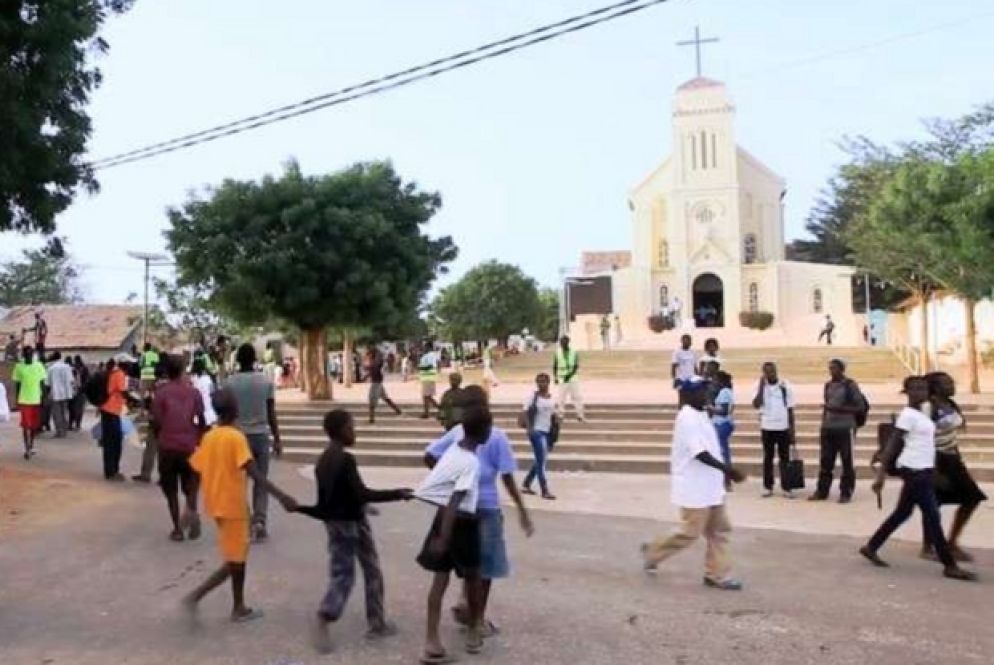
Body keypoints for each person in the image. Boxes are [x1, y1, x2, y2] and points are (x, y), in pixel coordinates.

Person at [291, 410, 412, 654]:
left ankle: (376, 621)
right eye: (351, 427)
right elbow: (361, 493)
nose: (353, 432)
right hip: (350, 525)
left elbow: (326, 505)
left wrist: (302, 509)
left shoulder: (323, 461)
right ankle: (326, 616)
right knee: (350, 574)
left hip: (340, 523)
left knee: (363, 570)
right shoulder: (345, 460)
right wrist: (397, 494)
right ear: (340, 430)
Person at [424, 386, 534, 643]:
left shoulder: (456, 434)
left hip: (457, 509)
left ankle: (436, 636)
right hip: (485, 508)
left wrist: (443, 478)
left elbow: (429, 455)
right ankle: (476, 623)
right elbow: (507, 478)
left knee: (449, 572)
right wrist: (522, 510)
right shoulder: (495, 437)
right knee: (482, 570)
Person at [183, 389, 297, 623]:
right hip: (233, 506)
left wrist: (191, 505)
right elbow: (254, 473)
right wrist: (281, 496)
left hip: (216, 504)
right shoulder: (236, 438)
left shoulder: (209, 437)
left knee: (237, 557)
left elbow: (194, 473)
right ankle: (222, 603)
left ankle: (230, 603)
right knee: (236, 560)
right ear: (235, 410)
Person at [859, 376, 976, 581]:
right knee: (933, 516)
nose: (921, 392)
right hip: (914, 471)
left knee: (902, 513)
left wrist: (934, 471)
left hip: (923, 469)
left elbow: (933, 439)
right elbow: (893, 445)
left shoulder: (923, 414)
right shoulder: (908, 416)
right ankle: (949, 565)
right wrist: (881, 475)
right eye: (916, 389)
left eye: (923, 388)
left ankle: (871, 546)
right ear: (907, 392)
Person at [641, 378, 747, 588]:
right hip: (694, 487)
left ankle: (716, 574)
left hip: (711, 486)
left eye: (707, 389)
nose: (706, 393)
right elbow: (700, 453)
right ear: (689, 395)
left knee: (719, 531)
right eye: (701, 390)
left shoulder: (701, 413)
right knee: (690, 533)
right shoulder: (687, 418)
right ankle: (653, 551)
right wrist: (728, 469)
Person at [416, 406, 491, 662]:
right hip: (459, 525)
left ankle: (431, 641)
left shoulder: (454, 450)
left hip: (444, 521)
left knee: (440, 581)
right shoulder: (470, 461)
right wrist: (445, 538)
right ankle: (473, 629)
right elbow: (455, 500)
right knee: (473, 578)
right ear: (483, 432)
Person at [920, 372, 987, 562]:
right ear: (936, 387)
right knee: (933, 504)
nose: (952, 385)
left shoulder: (950, 405)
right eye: (946, 383)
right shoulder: (928, 407)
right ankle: (928, 546)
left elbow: (951, 433)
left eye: (951, 381)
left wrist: (957, 457)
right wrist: (932, 469)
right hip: (934, 459)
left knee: (972, 498)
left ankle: (952, 541)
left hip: (952, 458)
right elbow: (924, 438)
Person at [225, 343, 282, 542]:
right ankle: (260, 520)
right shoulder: (265, 382)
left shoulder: (230, 383)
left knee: (238, 482)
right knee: (261, 481)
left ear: (238, 360)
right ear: (255, 359)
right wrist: (277, 439)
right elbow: (271, 413)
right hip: (260, 436)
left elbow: (226, 413)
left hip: (238, 437)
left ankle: (246, 519)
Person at [151, 355, 206, 541]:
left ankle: (177, 529)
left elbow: (156, 421)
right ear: (183, 371)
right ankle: (192, 511)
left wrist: (160, 436)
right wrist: (199, 437)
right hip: (189, 445)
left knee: (170, 489)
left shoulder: (161, 393)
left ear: (167, 372)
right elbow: (201, 419)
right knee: (190, 485)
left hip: (167, 446)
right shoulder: (194, 393)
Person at [810, 359, 864, 503]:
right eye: (830, 368)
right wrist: (823, 423)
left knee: (847, 461)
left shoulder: (850, 385)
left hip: (845, 428)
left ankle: (846, 492)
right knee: (826, 461)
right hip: (828, 428)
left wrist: (839, 409)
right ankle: (822, 491)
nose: (831, 371)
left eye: (834, 368)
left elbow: (860, 407)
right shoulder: (828, 385)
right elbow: (827, 405)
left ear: (842, 369)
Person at [752, 362, 796, 498]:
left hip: (782, 426)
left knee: (785, 458)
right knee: (768, 457)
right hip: (767, 426)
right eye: (766, 372)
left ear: (776, 371)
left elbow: (790, 409)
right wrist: (761, 387)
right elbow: (756, 404)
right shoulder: (758, 386)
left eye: (772, 371)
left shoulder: (785, 386)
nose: (769, 374)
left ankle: (787, 487)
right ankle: (768, 486)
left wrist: (792, 430)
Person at [520, 372, 558, 500]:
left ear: (548, 382)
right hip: (536, 431)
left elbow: (553, 415)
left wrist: (555, 431)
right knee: (542, 462)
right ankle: (544, 489)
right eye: (539, 381)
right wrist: (529, 428)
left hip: (547, 432)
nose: (541, 384)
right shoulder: (533, 397)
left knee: (540, 460)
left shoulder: (552, 398)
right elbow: (525, 412)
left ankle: (526, 484)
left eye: (544, 381)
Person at [12, 346, 47, 459]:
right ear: (23, 355)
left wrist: (44, 398)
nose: (28, 356)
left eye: (30, 354)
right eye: (26, 354)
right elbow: (17, 385)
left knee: (33, 426)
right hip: (24, 400)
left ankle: (31, 445)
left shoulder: (39, 366)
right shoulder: (18, 367)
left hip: (36, 399)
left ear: (33, 355)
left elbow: (42, 383)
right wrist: (17, 399)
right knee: (25, 425)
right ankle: (27, 448)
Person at [99, 357, 130, 481]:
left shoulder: (113, 373)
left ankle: (109, 470)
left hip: (108, 409)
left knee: (109, 442)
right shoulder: (120, 374)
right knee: (115, 442)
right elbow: (123, 391)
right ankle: (112, 471)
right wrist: (134, 401)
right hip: (112, 411)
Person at [366, 347, 402, 424]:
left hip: (376, 384)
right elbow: (371, 371)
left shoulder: (376, 362)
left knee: (372, 400)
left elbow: (374, 368)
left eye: (369, 354)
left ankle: (371, 418)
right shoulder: (374, 362)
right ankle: (398, 410)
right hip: (377, 383)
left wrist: (369, 366)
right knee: (386, 398)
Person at [553, 335, 584, 423]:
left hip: (573, 378)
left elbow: (576, 366)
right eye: (561, 342)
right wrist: (555, 377)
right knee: (561, 398)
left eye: (564, 342)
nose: (562, 344)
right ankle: (560, 415)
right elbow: (555, 365)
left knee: (577, 397)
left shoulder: (573, 352)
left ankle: (580, 415)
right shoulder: (557, 352)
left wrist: (569, 375)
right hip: (562, 378)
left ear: (568, 342)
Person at [710, 371, 735, 470]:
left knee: (722, 450)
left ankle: (726, 472)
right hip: (724, 423)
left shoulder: (724, 392)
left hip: (722, 423)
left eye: (715, 380)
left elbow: (724, 411)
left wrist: (711, 409)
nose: (713, 382)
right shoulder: (728, 391)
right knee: (723, 448)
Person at [46, 352, 75, 439]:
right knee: (64, 412)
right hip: (66, 393)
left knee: (56, 413)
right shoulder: (67, 367)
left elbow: (48, 383)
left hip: (55, 393)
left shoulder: (51, 368)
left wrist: (47, 394)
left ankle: (59, 431)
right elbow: (71, 380)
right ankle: (64, 431)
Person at [191, 358, 218, 426]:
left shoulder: (193, 381)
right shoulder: (208, 379)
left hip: (198, 415)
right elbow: (213, 393)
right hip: (210, 413)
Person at [671, 334, 697, 404]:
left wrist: (698, 377)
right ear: (681, 341)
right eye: (685, 340)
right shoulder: (677, 352)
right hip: (681, 379)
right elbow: (673, 366)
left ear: (691, 342)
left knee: (692, 397)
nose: (687, 342)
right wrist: (674, 379)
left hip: (691, 378)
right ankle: (681, 412)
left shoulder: (693, 352)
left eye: (688, 340)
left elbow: (695, 366)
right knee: (682, 397)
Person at [418, 343, 441, 419]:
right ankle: (427, 412)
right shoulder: (427, 355)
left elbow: (431, 366)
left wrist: (421, 368)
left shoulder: (431, 355)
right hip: (426, 377)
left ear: (429, 347)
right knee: (426, 396)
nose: (424, 348)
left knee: (427, 396)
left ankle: (439, 409)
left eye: (425, 347)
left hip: (428, 377)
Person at [70, 355, 90, 431]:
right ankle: (77, 424)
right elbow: (87, 380)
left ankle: (72, 424)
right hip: (81, 391)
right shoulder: (84, 368)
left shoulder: (72, 368)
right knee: (79, 408)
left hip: (74, 391)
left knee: (73, 408)